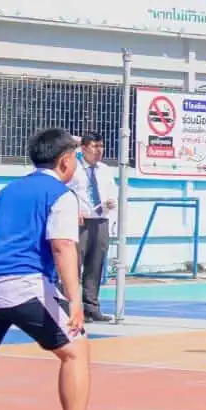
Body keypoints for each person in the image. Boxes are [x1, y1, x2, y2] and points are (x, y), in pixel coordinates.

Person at [0, 128, 114, 410]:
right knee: (75, 349)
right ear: (65, 161)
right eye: (73, 156)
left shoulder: (7, 191)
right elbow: (62, 248)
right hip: (23, 285)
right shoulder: (60, 195)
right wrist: (74, 302)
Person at [67, 132, 118, 322]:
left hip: (100, 220)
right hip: (79, 222)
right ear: (84, 148)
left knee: (95, 265)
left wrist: (112, 202)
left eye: (101, 146)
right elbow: (64, 191)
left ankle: (91, 307)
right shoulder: (74, 169)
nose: (99, 151)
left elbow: (113, 191)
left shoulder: (104, 170)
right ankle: (71, 307)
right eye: (94, 146)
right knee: (74, 264)